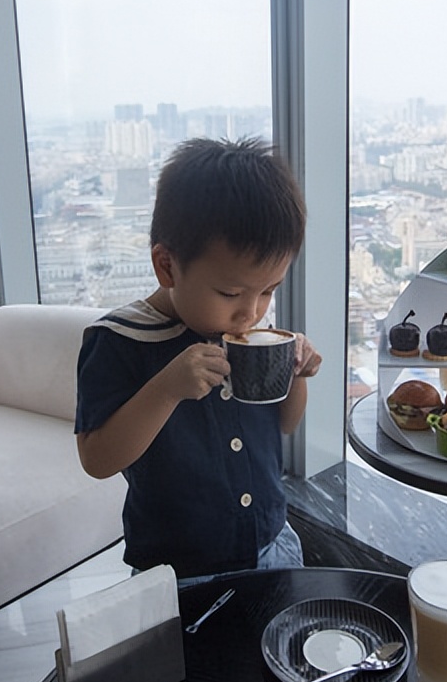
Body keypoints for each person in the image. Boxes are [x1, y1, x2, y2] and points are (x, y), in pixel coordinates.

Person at [74, 137, 322, 585]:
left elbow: (283, 424)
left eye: (268, 290)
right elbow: (97, 459)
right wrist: (166, 389)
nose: (251, 312)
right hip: (175, 572)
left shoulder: (253, 336)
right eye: (230, 293)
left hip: (271, 544)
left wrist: (297, 374)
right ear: (166, 266)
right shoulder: (118, 340)